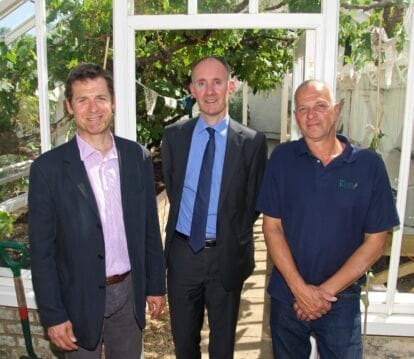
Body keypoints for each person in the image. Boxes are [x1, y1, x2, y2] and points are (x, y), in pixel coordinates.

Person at [28, 63, 166, 358]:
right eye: (82, 100)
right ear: (69, 106)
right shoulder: (48, 169)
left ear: (113, 101)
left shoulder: (136, 157)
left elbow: (148, 229)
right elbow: (42, 252)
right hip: (77, 300)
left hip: (129, 296)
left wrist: (155, 285)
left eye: (100, 98)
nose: (93, 108)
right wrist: (53, 315)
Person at [257, 79, 400, 358]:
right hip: (287, 297)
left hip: (341, 300)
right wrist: (300, 290)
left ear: (336, 110)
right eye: (303, 108)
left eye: (320, 106)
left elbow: (376, 241)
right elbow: (271, 227)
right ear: (296, 116)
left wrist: (321, 294)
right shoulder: (282, 158)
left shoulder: (369, 166)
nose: (311, 115)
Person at [161, 56, 267, 358]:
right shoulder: (174, 136)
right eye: (201, 83)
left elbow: (252, 204)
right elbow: (173, 187)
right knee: (184, 344)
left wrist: (230, 235)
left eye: (217, 82)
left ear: (230, 86)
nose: (210, 91)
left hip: (226, 257)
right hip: (182, 256)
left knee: (223, 347)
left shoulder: (251, 142)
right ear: (191, 89)